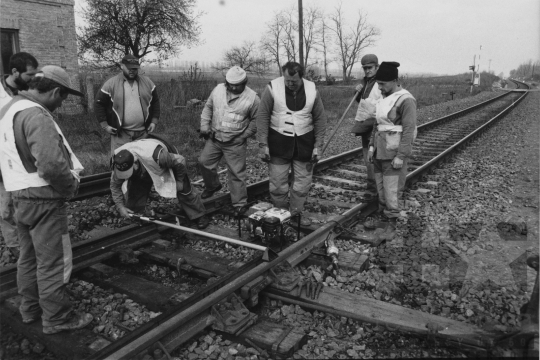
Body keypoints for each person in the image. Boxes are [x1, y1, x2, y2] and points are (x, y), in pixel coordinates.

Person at [0, 66, 93, 334]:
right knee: (53, 262)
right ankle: (57, 319)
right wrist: (68, 188)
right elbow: (51, 166)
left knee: (28, 258)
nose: (61, 104)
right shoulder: (36, 115)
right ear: (54, 91)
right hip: (44, 198)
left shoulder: (8, 110)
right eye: (62, 98)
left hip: (20, 196)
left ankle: (29, 310)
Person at [256, 62, 327, 225]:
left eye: (293, 81)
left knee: (302, 184)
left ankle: (296, 214)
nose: (289, 84)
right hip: (278, 144)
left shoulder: (312, 89)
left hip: (304, 145)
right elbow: (262, 117)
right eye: (287, 80)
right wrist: (262, 144)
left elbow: (320, 119)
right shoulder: (272, 88)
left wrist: (318, 145)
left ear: (301, 77)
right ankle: (279, 215)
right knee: (278, 184)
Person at [111, 137, 210, 229]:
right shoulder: (118, 161)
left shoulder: (158, 157)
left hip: (165, 161)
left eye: (129, 171)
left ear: (135, 162)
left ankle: (199, 215)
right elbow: (115, 185)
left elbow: (180, 161)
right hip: (143, 167)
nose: (126, 176)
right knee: (136, 188)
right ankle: (136, 216)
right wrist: (120, 206)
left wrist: (179, 180)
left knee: (184, 189)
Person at [198, 66, 260, 211]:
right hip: (214, 137)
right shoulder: (218, 89)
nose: (233, 87)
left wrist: (243, 137)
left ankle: (239, 203)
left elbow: (257, 120)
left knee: (236, 173)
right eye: (230, 84)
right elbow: (208, 107)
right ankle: (212, 186)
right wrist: (204, 125)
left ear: (244, 83)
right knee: (204, 162)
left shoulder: (253, 98)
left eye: (237, 85)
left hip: (235, 141)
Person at [367, 62, 417, 240]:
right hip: (380, 152)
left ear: (395, 81)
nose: (379, 88)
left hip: (393, 153)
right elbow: (377, 124)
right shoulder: (383, 98)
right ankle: (383, 218)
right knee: (381, 189)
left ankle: (392, 224)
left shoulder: (406, 100)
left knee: (392, 190)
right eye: (378, 83)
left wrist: (401, 156)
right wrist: (372, 146)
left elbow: (409, 130)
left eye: (382, 84)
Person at [0, 52, 39, 260]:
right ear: (15, 72)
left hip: (23, 157)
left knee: (25, 203)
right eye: (29, 74)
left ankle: (29, 243)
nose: (33, 79)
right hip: (2, 159)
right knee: (5, 208)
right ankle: (15, 246)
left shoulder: (28, 92)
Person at [95, 54, 160, 154]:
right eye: (129, 68)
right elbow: (99, 104)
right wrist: (105, 125)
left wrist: (153, 121)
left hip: (143, 134)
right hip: (121, 135)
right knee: (121, 164)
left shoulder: (147, 82)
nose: (132, 70)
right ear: (122, 66)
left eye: (134, 68)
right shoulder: (111, 84)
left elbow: (155, 101)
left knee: (142, 164)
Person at [350, 54, 382, 202]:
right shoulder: (365, 83)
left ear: (377, 67)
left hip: (378, 125)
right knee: (367, 158)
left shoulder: (381, 83)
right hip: (365, 125)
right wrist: (357, 94)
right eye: (365, 68)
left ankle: (375, 190)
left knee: (375, 158)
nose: (367, 71)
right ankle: (372, 188)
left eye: (370, 68)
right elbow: (363, 103)